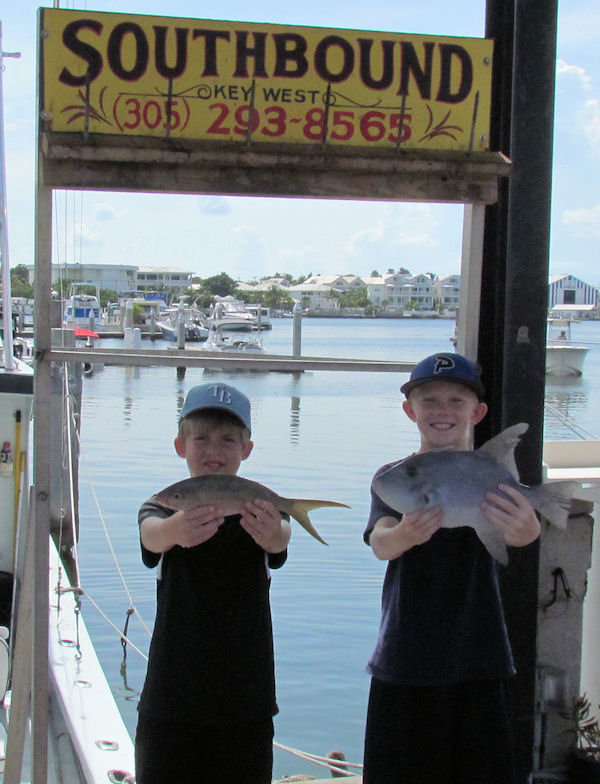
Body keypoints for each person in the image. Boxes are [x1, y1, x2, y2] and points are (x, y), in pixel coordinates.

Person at [362, 352, 541, 784]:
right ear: (410, 411)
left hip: (481, 657)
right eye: (429, 400)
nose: (442, 411)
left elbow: (522, 536)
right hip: (405, 656)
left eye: (456, 401)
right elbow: (380, 543)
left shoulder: (491, 475)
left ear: (476, 413)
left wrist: (529, 525)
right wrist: (406, 534)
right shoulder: (395, 477)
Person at [135, 382, 291, 784]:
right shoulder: (164, 504)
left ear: (247, 449)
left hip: (247, 699)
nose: (213, 450)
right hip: (171, 697)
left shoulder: (261, 508)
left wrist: (274, 533)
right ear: (180, 445)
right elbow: (151, 535)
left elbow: (280, 539)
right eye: (201, 438)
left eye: (227, 440)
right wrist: (174, 530)